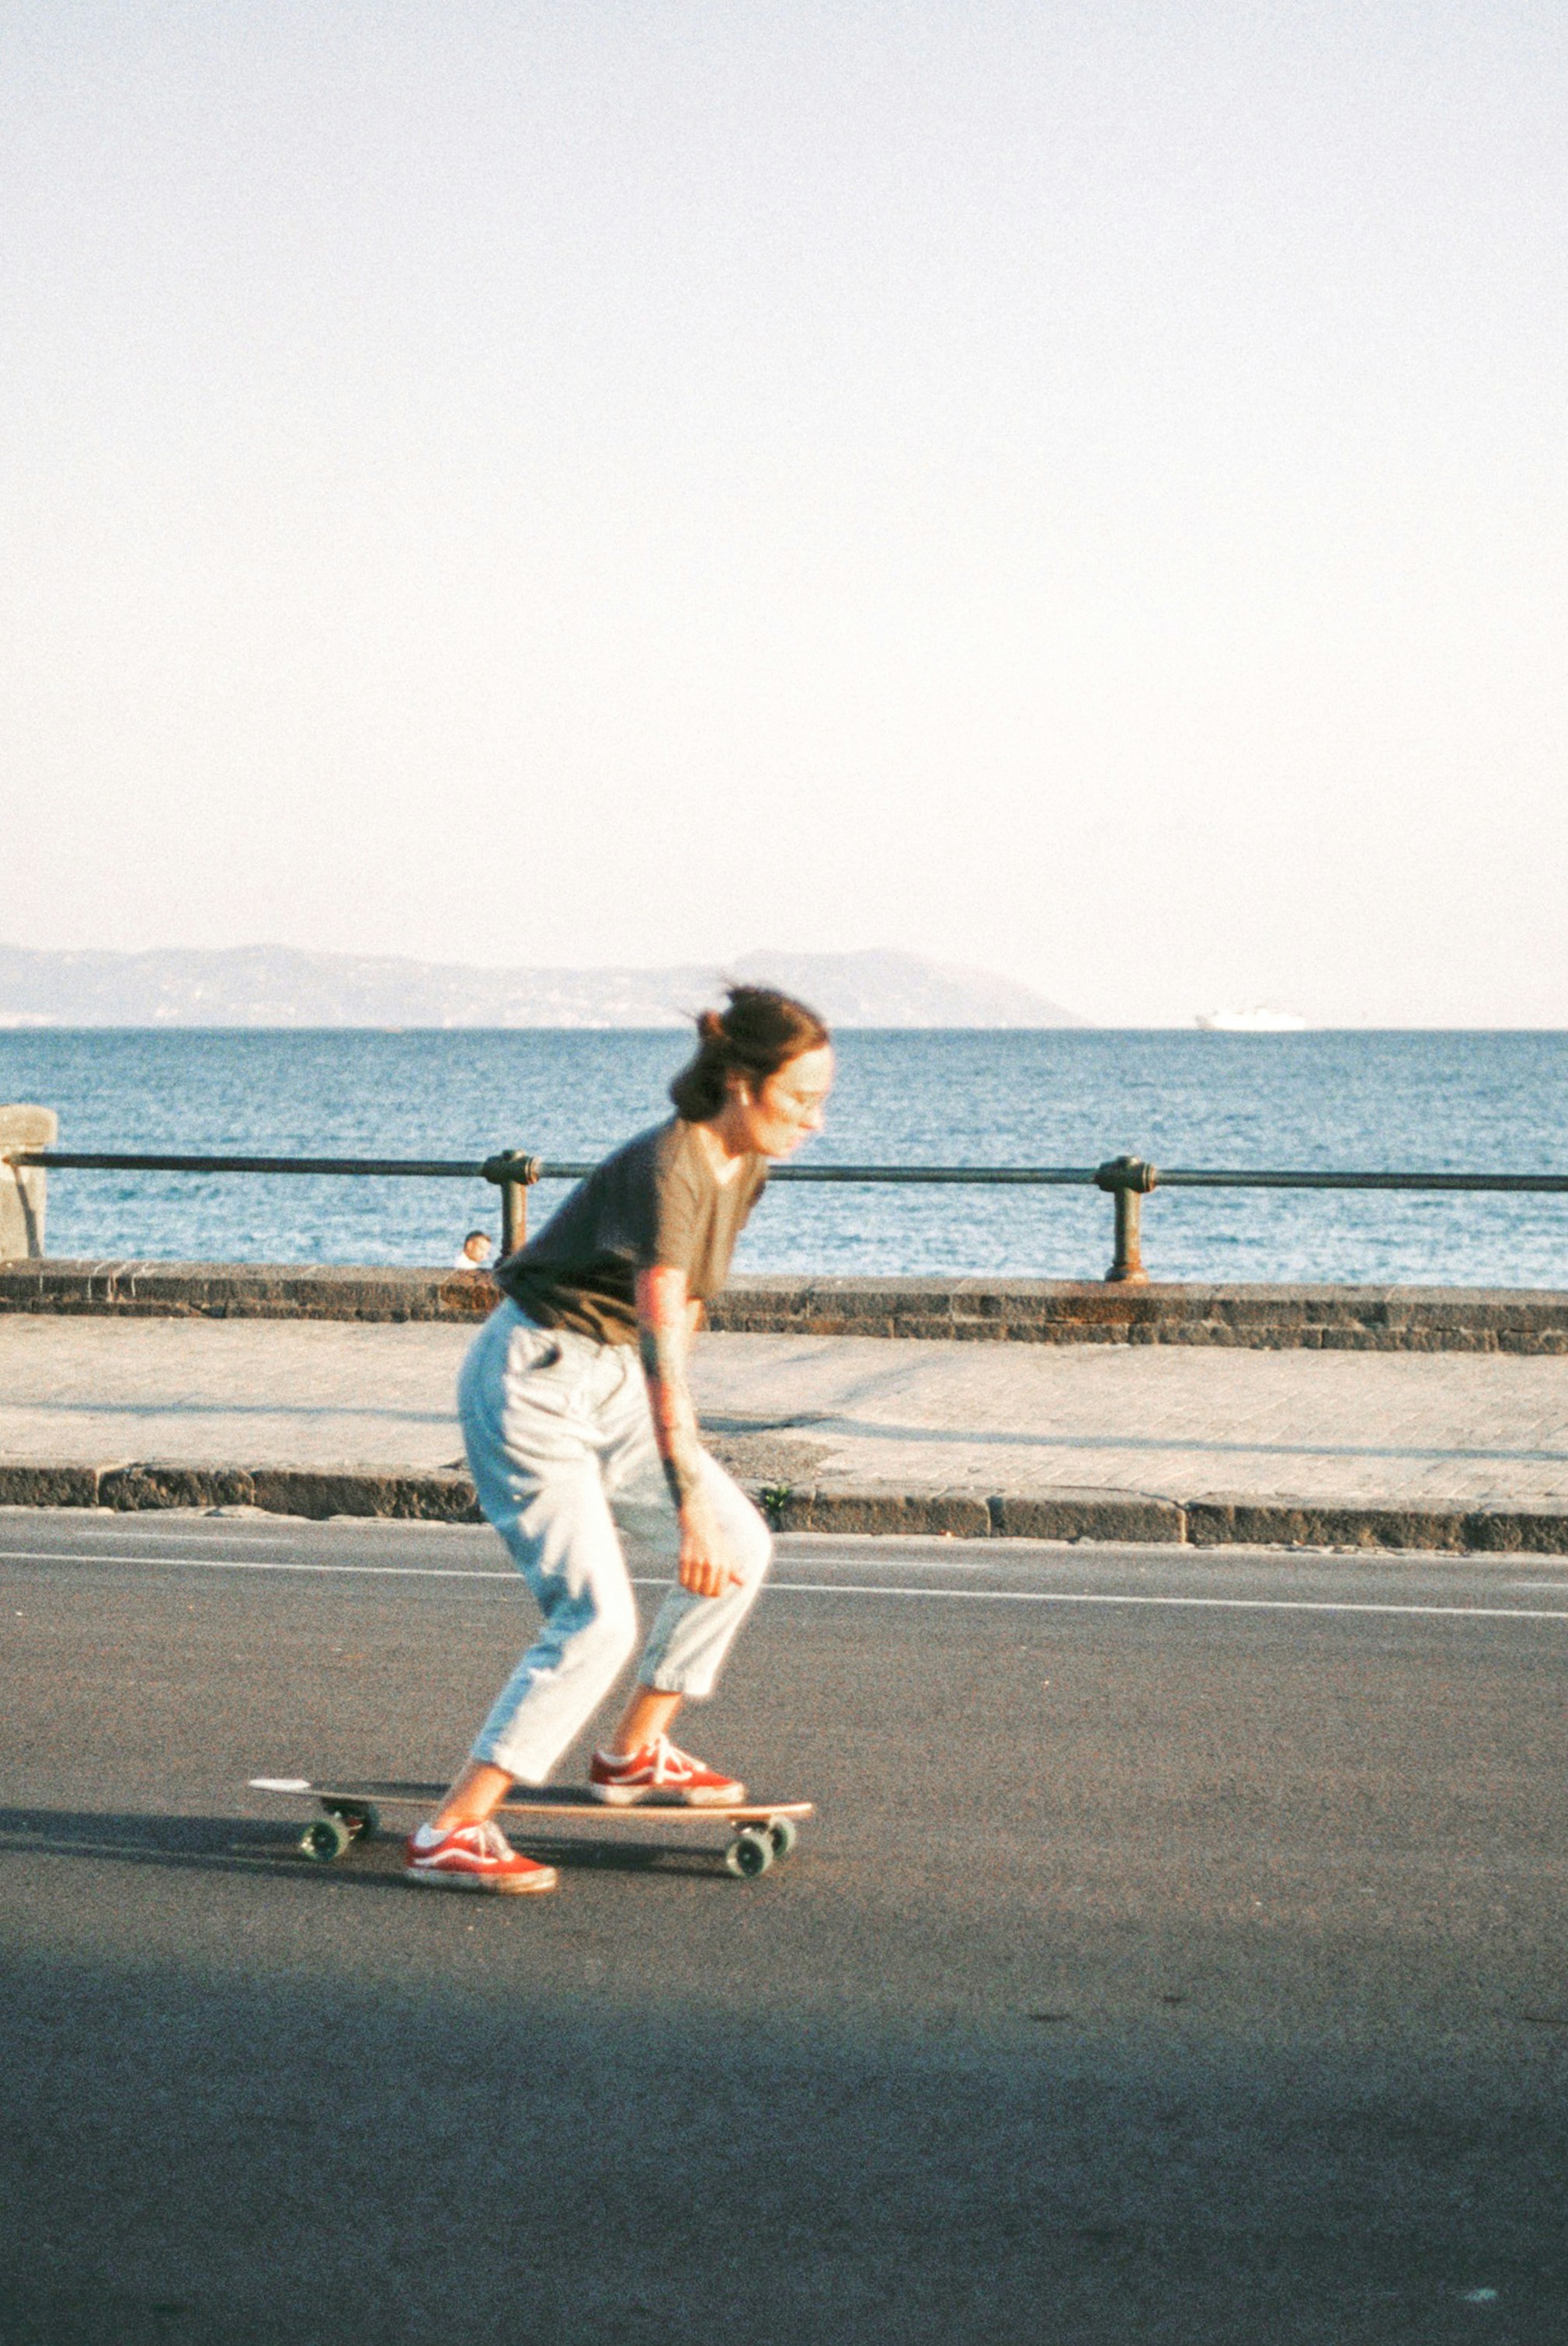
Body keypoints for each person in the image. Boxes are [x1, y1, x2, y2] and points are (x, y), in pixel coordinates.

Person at [406, 985, 835, 1893]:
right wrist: (687, 1514)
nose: (814, 1120)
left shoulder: (744, 1162)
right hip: (535, 1381)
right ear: (741, 1083)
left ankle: (635, 1753)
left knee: (745, 1544)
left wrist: (700, 1503)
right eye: (800, 1099)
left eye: (822, 1101)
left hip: (613, 1387)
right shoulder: (667, 1169)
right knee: (598, 1618)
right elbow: (663, 1348)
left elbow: (688, 1310)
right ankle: (452, 1825)